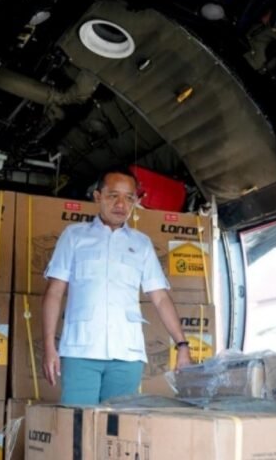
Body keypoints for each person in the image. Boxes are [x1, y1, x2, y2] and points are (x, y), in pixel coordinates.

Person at [41, 167, 193, 405]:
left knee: (118, 424)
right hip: (81, 351)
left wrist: (182, 344)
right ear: (98, 196)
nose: (121, 204)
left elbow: (161, 298)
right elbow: (54, 292)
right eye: (113, 195)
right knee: (79, 421)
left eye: (129, 198)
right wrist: (49, 346)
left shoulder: (141, 244)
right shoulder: (74, 236)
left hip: (127, 354)